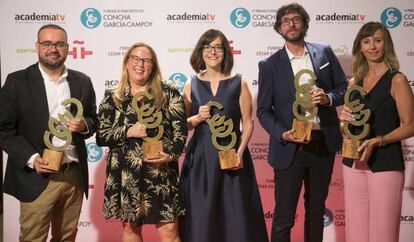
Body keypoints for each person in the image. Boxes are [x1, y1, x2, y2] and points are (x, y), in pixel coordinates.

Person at [256, 3, 348, 242]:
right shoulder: (269, 65)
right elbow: (264, 111)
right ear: (279, 28)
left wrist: (328, 98)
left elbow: (343, 88)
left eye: (296, 19)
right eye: (285, 21)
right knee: (284, 216)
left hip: (322, 143)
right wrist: (283, 134)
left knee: (316, 212)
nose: (291, 24)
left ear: (305, 23)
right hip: (290, 147)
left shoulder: (324, 52)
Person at [0, 24, 97, 241]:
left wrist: (83, 125)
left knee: (67, 237)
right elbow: (4, 129)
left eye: (59, 44)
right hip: (37, 175)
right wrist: (32, 158)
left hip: (73, 175)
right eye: (47, 43)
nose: (53, 48)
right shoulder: (17, 81)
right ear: (37, 46)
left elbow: (93, 120)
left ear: (67, 48)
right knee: (33, 238)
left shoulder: (82, 81)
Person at [179, 29, 268, 242]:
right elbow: (182, 125)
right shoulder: (191, 84)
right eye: (207, 47)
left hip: (233, 160)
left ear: (225, 51)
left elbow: (248, 123)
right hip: (200, 161)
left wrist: (239, 152)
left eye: (218, 47)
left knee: (236, 219)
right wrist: (197, 119)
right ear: (200, 52)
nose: (212, 52)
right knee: (201, 219)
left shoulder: (240, 82)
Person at [96, 42, 187, 242]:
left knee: (170, 233)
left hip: (161, 173)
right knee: (130, 231)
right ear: (127, 62)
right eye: (136, 59)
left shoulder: (168, 91)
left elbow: (181, 132)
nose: (141, 64)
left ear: (153, 65)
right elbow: (101, 135)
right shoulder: (114, 95)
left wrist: (171, 154)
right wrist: (128, 131)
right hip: (127, 175)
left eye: (146, 60)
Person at [339, 22, 414, 242]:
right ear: (360, 47)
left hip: (386, 162)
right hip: (353, 162)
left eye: (378, 40)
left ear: (386, 44)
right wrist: (344, 123)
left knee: (383, 234)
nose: (373, 46)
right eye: (367, 41)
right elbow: (350, 128)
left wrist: (380, 140)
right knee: (356, 234)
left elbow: (410, 124)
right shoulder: (354, 82)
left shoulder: (397, 80)